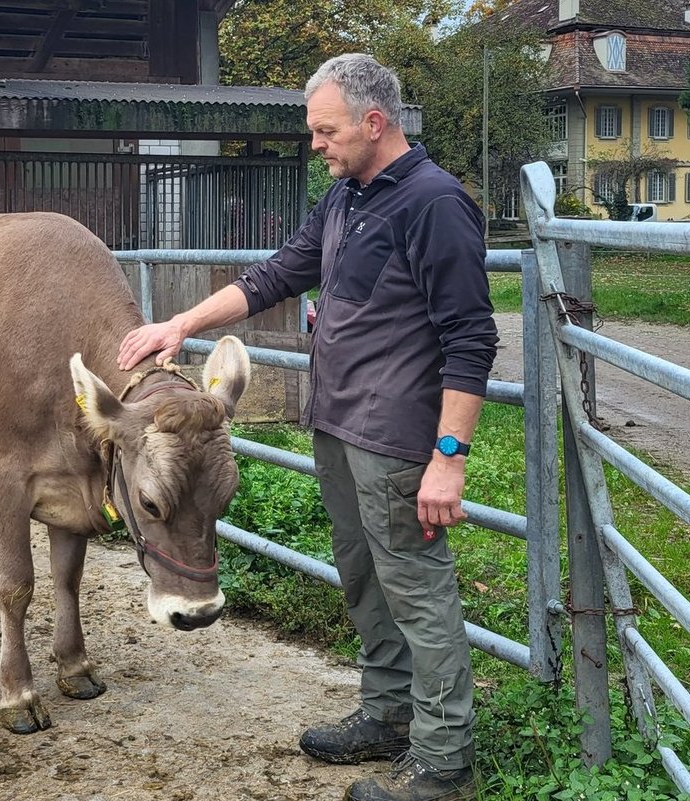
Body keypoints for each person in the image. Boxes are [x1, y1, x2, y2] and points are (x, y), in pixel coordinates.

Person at [116, 53, 496, 801]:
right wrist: (182, 321)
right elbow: (277, 273)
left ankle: (444, 760)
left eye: (326, 130)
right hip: (339, 427)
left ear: (374, 123)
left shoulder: (434, 203)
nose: (315, 143)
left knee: (417, 592)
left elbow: (470, 337)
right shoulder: (349, 198)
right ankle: (388, 714)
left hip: (396, 441)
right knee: (365, 584)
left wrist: (449, 455)